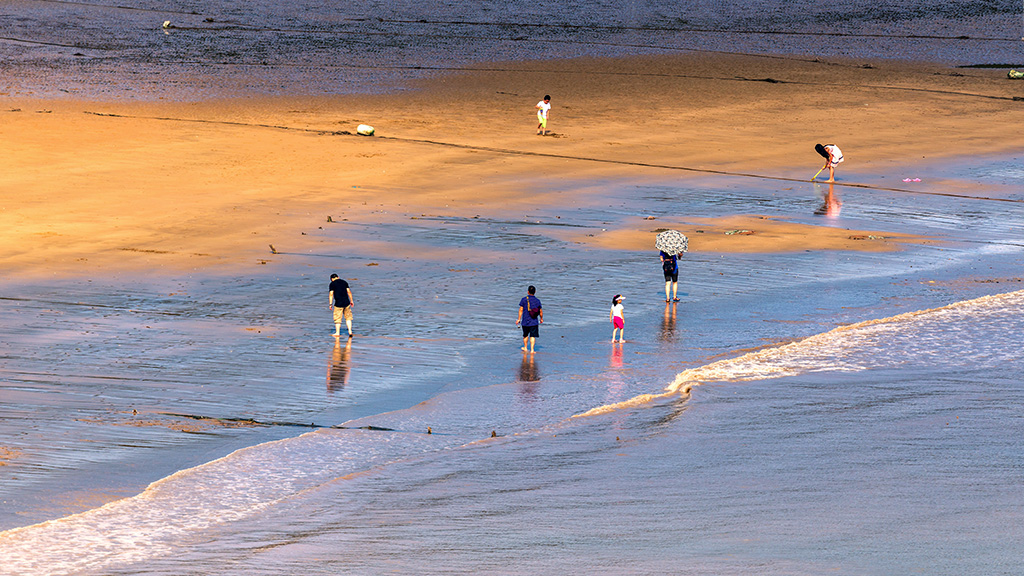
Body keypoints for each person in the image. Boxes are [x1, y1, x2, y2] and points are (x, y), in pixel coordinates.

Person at [516, 285, 543, 353]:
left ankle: (525, 347)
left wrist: (519, 319)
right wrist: (541, 318)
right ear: (535, 292)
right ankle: (532, 350)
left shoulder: (524, 299)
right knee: (532, 336)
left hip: (525, 320)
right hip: (534, 321)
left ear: (528, 292)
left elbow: (521, 310)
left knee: (525, 335)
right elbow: (540, 311)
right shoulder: (537, 301)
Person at [328, 273, 354, 337]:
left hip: (338, 304)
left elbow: (331, 294)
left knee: (337, 319)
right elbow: (349, 292)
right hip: (346, 303)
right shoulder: (344, 282)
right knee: (348, 318)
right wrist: (351, 301)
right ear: (338, 277)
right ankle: (350, 331)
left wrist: (330, 304)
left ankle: (337, 332)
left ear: (332, 279)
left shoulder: (332, 284)